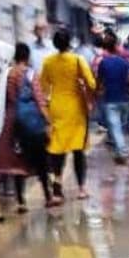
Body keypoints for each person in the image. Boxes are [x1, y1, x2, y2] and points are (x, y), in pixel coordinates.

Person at [40, 29, 96, 203]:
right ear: (70, 42)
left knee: (58, 147)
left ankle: (57, 186)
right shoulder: (78, 60)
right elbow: (92, 84)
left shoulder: (48, 62)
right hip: (76, 109)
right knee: (78, 148)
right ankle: (81, 189)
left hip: (57, 108)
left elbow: (44, 87)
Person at [0, 42, 53, 211]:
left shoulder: (8, 74)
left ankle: (21, 201)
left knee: (18, 160)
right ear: (27, 57)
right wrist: (48, 121)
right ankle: (48, 196)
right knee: (41, 159)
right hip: (33, 123)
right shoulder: (30, 74)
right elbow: (39, 99)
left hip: (14, 121)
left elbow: (6, 99)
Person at [96, 38, 129, 164]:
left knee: (115, 128)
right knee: (120, 126)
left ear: (105, 49)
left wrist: (98, 91)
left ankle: (122, 152)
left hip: (110, 99)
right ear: (115, 47)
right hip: (125, 99)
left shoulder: (103, 63)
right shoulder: (124, 63)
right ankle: (119, 151)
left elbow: (99, 81)